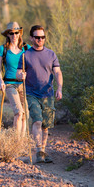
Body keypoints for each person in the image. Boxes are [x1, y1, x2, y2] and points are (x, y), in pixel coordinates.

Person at [16, 25, 63, 163]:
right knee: (37, 120)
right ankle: (38, 150)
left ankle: (42, 149)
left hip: (47, 93)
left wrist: (59, 88)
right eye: (37, 37)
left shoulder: (51, 54)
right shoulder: (25, 55)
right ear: (31, 38)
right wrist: (21, 75)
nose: (40, 40)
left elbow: (58, 72)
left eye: (42, 37)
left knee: (46, 125)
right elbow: (19, 72)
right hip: (31, 93)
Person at [0, 22, 31, 136]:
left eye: (16, 33)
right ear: (8, 35)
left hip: (24, 84)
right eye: (11, 33)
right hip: (10, 84)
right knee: (19, 112)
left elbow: (33, 64)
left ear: (19, 34)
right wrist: (1, 81)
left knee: (26, 114)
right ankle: (16, 141)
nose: (14, 36)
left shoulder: (27, 48)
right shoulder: (3, 49)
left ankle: (22, 140)